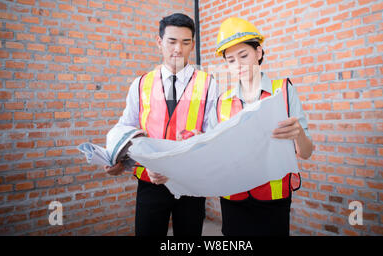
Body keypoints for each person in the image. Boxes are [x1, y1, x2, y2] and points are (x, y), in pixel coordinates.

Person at [105, 13, 217, 236]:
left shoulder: (208, 84)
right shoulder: (140, 84)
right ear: (159, 42)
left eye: (185, 43)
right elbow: (126, 126)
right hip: (150, 182)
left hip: (191, 183)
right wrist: (116, 158)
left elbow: (213, 134)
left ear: (192, 45)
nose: (178, 49)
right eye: (171, 41)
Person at [208, 16, 314, 236]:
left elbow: (306, 152)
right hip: (233, 197)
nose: (239, 65)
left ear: (258, 53)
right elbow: (213, 152)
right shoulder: (222, 102)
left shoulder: (283, 91)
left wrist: (299, 134)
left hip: (272, 199)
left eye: (244, 55)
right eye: (230, 60)